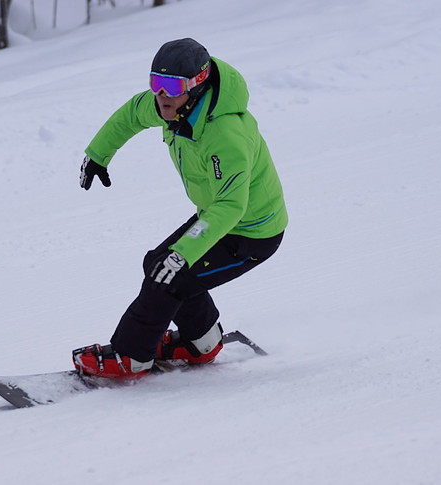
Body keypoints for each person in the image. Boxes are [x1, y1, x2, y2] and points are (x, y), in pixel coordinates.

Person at [72, 38, 288, 380]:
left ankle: (131, 357)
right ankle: (201, 343)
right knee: (158, 264)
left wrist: (182, 254)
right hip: (217, 215)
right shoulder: (172, 106)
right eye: (155, 84)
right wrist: (99, 153)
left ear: (198, 85)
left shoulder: (225, 135)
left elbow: (231, 205)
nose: (162, 95)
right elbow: (131, 115)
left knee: (167, 277)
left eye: (171, 87)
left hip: (251, 232)